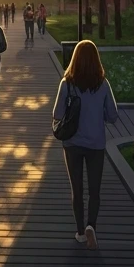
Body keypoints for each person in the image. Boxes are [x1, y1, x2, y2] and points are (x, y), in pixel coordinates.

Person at [52, 40, 118, 250]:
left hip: (72, 143)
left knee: (77, 189)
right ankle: (92, 225)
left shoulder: (67, 83)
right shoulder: (103, 84)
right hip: (96, 143)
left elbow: (57, 114)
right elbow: (113, 116)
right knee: (94, 190)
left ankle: (80, 232)